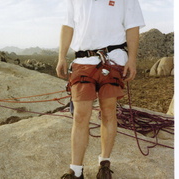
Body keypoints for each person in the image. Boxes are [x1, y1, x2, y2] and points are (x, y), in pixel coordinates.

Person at [56, 0, 145, 178]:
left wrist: (132, 60)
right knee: (81, 115)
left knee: (108, 112)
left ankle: (104, 162)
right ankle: (76, 170)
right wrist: (61, 57)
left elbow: (132, 27)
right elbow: (68, 25)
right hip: (83, 61)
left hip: (113, 59)